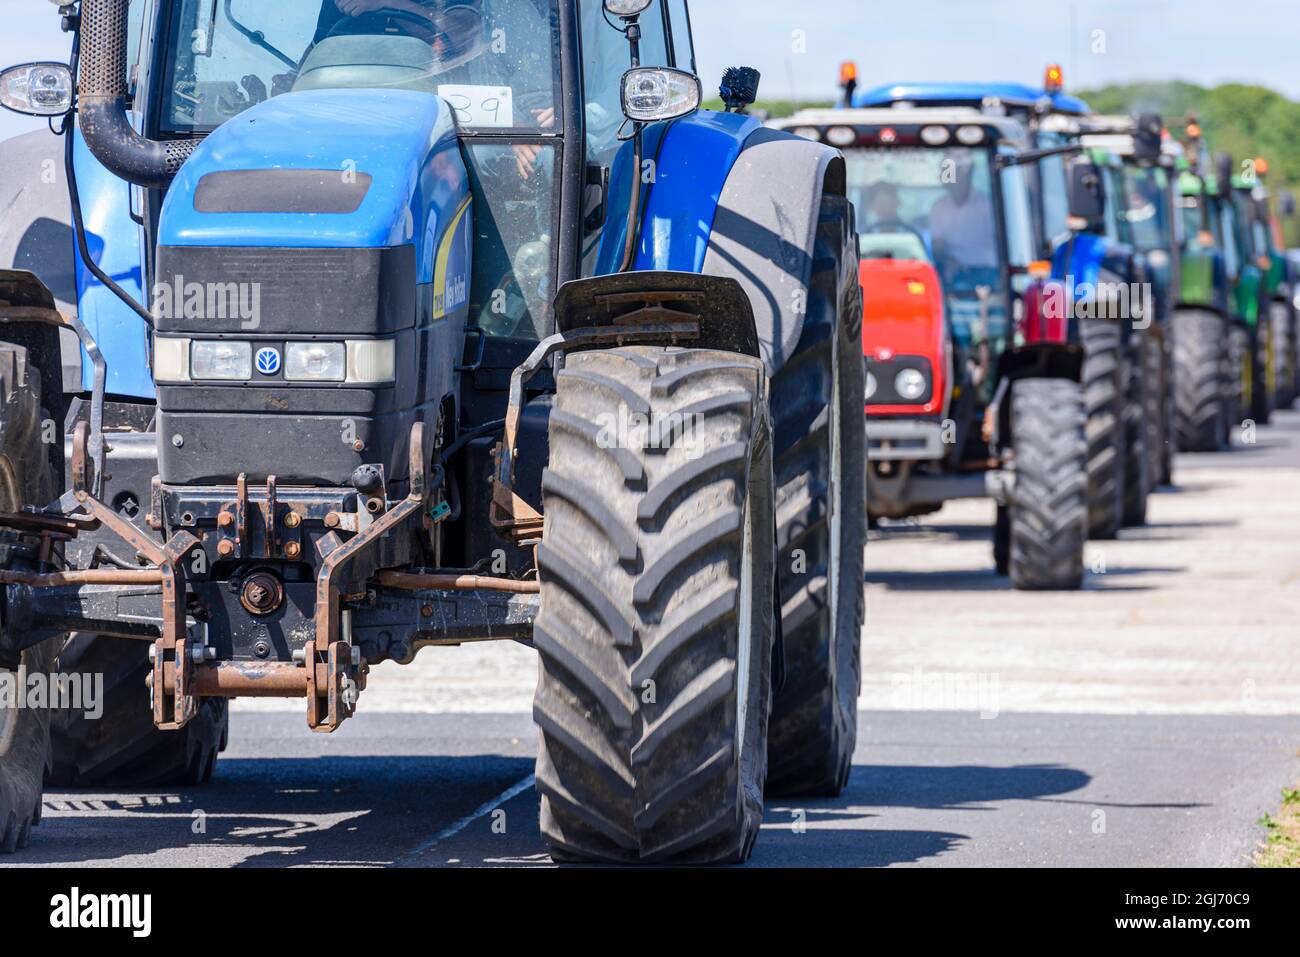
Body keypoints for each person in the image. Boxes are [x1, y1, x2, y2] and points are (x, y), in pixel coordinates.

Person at [927, 151, 997, 271]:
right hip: (952, 272)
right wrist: (948, 261)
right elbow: (937, 245)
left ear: (967, 174)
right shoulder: (938, 207)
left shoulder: (987, 205)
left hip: (985, 271)